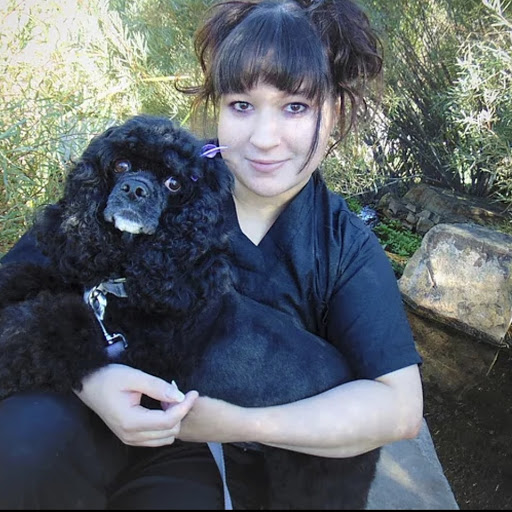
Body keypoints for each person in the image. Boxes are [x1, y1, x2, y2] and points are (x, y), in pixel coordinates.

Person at [0, 0, 423, 509]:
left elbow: (399, 409)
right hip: (110, 422)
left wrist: (237, 423)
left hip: (257, 463)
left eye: (295, 106)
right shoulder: (164, 176)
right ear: (217, 106)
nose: (264, 140)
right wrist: (91, 378)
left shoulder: (344, 245)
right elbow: (20, 280)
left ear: (333, 111)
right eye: (241, 105)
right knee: (21, 446)